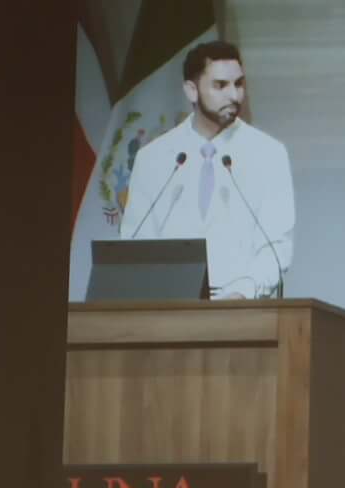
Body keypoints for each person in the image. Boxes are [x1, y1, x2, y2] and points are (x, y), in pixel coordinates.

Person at [121, 40, 295, 300]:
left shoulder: (269, 153)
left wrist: (242, 292)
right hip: (168, 311)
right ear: (192, 90)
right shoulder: (153, 158)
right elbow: (134, 244)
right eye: (220, 85)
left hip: (245, 310)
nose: (234, 96)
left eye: (239, 84)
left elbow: (276, 246)